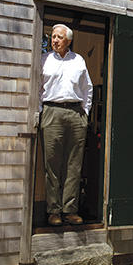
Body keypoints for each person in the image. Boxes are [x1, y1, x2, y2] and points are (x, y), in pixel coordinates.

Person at [39, 24, 93, 226]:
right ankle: (54, 211)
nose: (54, 40)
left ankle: (70, 210)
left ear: (68, 41)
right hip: (52, 111)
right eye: (52, 37)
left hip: (76, 114)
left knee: (74, 164)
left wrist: (85, 113)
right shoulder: (44, 60)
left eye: (59, 37)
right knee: (52, 164)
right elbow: (37, 87)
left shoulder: (78, 60)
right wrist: (40, 112)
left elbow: (87, 89)